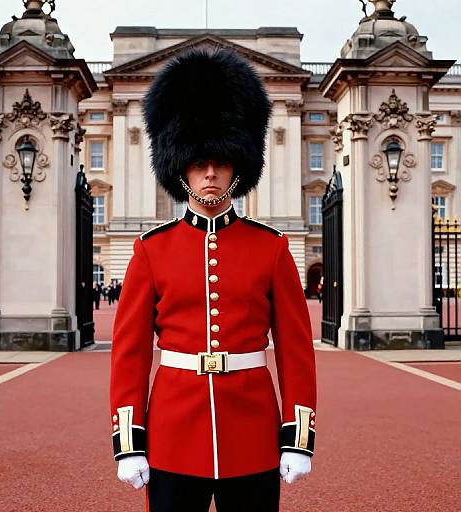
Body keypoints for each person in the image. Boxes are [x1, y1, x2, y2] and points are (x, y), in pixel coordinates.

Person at [110, 48, 317, 512]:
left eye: (220, 162)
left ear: (236, 167)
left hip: (253, 433)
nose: (208, 172)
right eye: (198, 161)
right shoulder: (151, 249)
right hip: (172, 433)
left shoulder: (272, 247)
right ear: (179, 166)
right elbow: (131, 352)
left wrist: (298, 436)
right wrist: (129, 441)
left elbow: (295, 349)